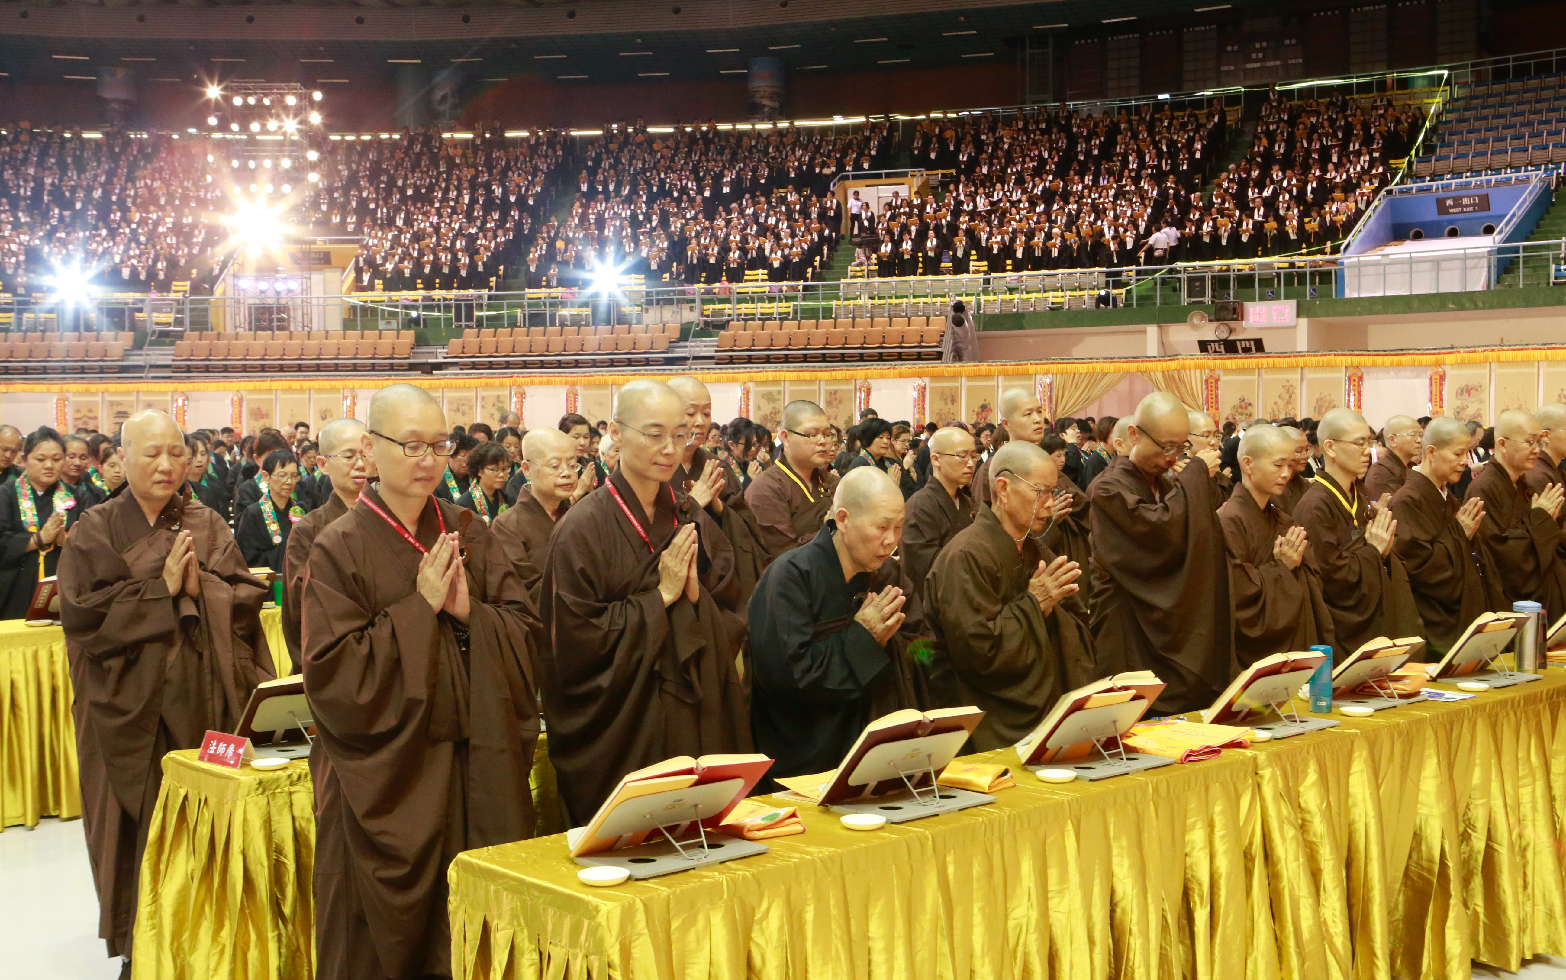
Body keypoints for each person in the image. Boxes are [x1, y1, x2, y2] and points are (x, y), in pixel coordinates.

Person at [303, 384, 541, 980]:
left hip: (474, 760)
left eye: (439, 445)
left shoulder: (468, 529)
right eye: (410, 445)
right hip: (390, 776)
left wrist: (467, 614)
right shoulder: (338, 547)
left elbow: (526, 632)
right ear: (370, 448)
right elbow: (332, 675)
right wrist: (418, 610)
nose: (427, 459)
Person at [59, 411, 273, 970]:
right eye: (151, 453)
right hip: (125, 709)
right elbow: (83, 617)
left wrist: (201, 589)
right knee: (136, 829)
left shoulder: (207, 523)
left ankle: (207, 937)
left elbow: (246, 595)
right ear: (121, 459)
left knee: (205, 819)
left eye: (176, 452)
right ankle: (144, 946)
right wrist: (162, 593)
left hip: (206, 698)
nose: (165, 464)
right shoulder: (95, 529)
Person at [539, 379, 749, 824]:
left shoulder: (686, 512)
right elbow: (575, 641)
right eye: (654, 435)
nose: (670, 449)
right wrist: (662, 598)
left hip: (689, 706)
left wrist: (694, 599)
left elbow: (729, 596)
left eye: (679, 435)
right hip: (624, 722)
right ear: (616, 432)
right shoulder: (582, 528)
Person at [748, 467, 927, 781]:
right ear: (842, 519)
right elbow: (787, 678)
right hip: (806, 752)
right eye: (882, 527)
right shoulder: (791, 576)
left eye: (899, 528)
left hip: (879, 743)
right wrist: (864, 637)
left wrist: (898, 645)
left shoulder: (889, 575)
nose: (891, 541)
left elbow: (925, 650)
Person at [927, 442, 1097, 750]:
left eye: (1053, 492)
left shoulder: (1034, 548)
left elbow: (1075, 622)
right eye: (1041, 491)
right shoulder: (966, 555)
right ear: (1003, 489)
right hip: (985, 716)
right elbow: (978, 652)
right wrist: (1035, 604)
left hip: (1044, 705)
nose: (1049, 504)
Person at [1088, 392, 1234, 713]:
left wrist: (1194, 482)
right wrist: (1195, 474)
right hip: (1127, 623)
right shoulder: (1108, 489)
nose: (1172, 458)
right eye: (1166, 447)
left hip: (1165, 618)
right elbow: (1156, 534)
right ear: (1133, 435)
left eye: (1180, 448)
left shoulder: (1168, 485)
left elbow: (1197, 539)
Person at [1292, 409, 1423, 660]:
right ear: (1330, 447)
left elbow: (1377, 553)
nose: (1367, 450)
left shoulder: (1359, 496)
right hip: (1341, 628)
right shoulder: (1315, 506)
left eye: (1369, 442)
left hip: (1374, 616)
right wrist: (1373, 550)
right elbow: (1330, 576)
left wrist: (1383, 552)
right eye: (1359, 443)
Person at [1218, 424, 1335, 666]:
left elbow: (1312, 578)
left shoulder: (1282, 519)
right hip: (1250, 656)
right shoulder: (1228, 521)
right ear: (1248, 464)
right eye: (1278, 465)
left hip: (1289, 643)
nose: (1286, 474)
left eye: (1290, 466)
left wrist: (1293, 567)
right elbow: (1233, 595)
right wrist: (1281, 567)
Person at [1388, 417, 1506, 656]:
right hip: (1433, 619)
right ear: (1431, 451)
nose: (1465, 462)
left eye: (1468, 453)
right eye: (1457, 454)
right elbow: (1419, 568)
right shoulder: (1407, 500)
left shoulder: (1448, 497)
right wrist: (1458, 534)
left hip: (1462, 613)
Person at [668, 376, 773, 605]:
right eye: (690, 413)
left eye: (706, 413)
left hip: (721, 574)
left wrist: (717, 505)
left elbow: (746, 524)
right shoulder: (657, 466)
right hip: (674, 579)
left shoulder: (715, 464)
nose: (700, 422)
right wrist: (692, 502)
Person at [281, 419, 371, 675]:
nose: (361, 464)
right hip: (337, 664)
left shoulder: (390, 519)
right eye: (349, 456)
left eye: (366, 454)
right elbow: (305, 606)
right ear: (323, 464)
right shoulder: (308, 531)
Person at [1463, 409, 1566, 618]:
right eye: (1530, 442)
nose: (1537, 450)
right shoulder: (1483, 489)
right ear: (1502, 444)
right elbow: (1499, 554)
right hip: (1505, 599)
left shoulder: (1521, 483)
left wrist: (1542, 521)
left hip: (1538, 592)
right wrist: (1540, 520)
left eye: (1540, 442)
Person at [0, 427, 91, 618]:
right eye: (40, 459)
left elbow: (92, 544)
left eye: (57, 459)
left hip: (64, 587)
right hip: (15, 587)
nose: (49, 465)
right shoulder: (5, 494)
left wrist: (65, 541)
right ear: (24, 461)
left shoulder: (79, 496)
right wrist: (38, 539)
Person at [490, 427, 579, 605]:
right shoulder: (506, 526)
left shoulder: (579, 518)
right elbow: (521, 593)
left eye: (572, 464)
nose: (566, 473)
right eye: (555, 466)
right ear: (526, 469)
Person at [745, 399, 840, 555]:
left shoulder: (832, 481)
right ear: (785, 437)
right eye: (813, 434)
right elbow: (784, 555)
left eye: (827, 434)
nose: (823, 442)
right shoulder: (766, 488)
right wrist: (829, 529)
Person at [899, 426, 978, 606]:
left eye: (973, 456)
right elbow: (925, 572)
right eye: (962, 456)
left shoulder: (967, 503)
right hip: (937, 609)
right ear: (936, 459)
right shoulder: (920, 506)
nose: (971, 463)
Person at [972, 388, 1047, 508]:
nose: (1038, 419)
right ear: (1006, 424)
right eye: (1028, 414)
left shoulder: (1043, 459)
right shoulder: (995, 466)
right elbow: (984, 514)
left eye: (1039, 412)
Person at [235, 450, 304, 575]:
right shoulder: (253, 514)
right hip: (268, 586)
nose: (289, 481)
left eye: (294, 476)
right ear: (266, 476)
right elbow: (248, 559)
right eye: (282, 475)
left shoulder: (303, 511)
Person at [455, 441, 511, 525]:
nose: (502, 475)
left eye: (504, 469)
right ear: (480, 471)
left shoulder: (507, 498)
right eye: (495, 470)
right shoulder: (464, 504)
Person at [1367, 415, 1420, 500]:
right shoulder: (1381, 472)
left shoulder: (1410, 467)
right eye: (1413, 435)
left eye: (1420, 435)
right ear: (1392, 440)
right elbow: (1403, 506)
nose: (1419, 440)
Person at [184, 433, 230, 521]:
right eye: (194, 455)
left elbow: (224, 516)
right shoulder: (177, 486)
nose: (199, 459)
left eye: (203, 454)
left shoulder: (215, 485)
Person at [433, 431, 477, 503]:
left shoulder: (474, 477)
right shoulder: (438, 482)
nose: (467, 461)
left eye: (470, 456)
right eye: (462, 456)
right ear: (449, 456)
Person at [1278, 425, 1314, 513]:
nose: (1305, 456)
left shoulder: (1304, 484)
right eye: (1298, 451)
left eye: (1307, 450)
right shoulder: (1271, 486)